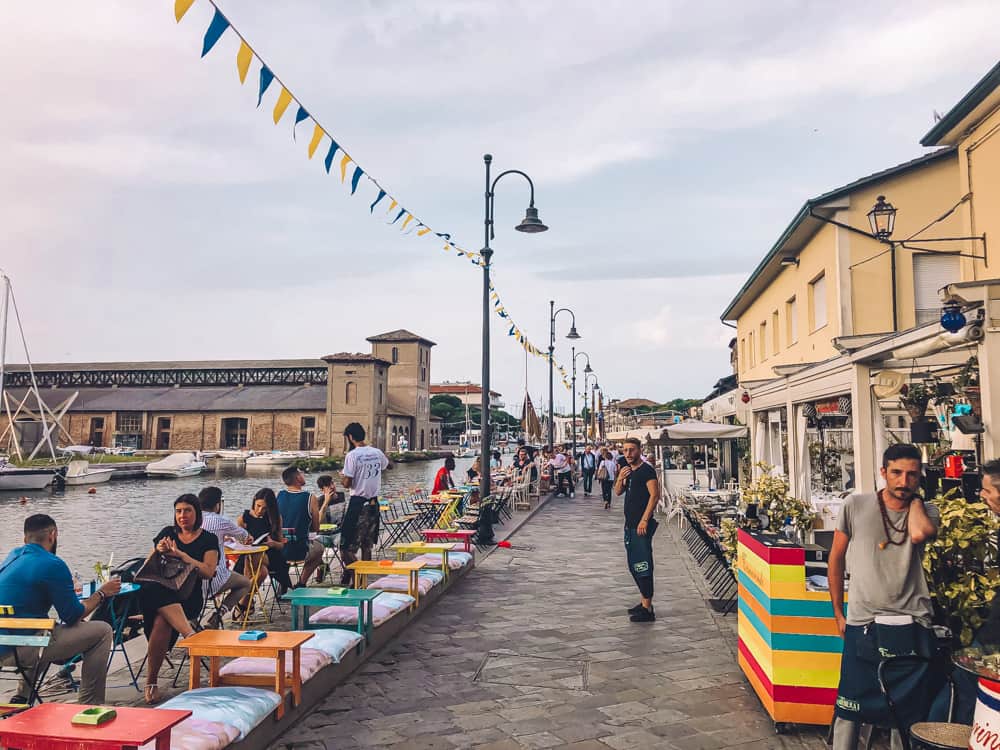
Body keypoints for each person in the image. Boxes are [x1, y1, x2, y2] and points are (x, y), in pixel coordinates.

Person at [828, 444, 940, 749]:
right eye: (897, 473)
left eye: (912, 475)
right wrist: (838, 612)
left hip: (912, 620)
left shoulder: (927, 512)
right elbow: (836, 558)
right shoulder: (856, 505)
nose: (904, 481)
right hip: (863, 619)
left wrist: (915, 500)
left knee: (904, 711)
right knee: (850, 705)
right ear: (883, 472)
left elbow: (918, 534)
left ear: (920, 478)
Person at [0, 514, 119, 706]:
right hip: (20, 649)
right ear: (53, 535)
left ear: (25, 539)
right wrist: (102, 593)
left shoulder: (12, 556)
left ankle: (22, 696)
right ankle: (91, 704)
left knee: (43, 630)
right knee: (102, 631)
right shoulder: (53, 564)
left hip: (4, 644)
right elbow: (72, 616)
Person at [929, 458, 1000, 724]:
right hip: (991, 635)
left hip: (993, 641)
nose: (981, 495)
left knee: (956, 701)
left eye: (987, 490)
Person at [139, 495, 219, 704]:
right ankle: (190, 635)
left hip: (188, 597)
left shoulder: (208, 539)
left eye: (187, 511)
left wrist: (183, 556)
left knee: (160, 616)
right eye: (179, 511)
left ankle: (151, 682)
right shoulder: (167, 533)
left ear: (197, 513)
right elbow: (148, 567)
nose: (182, 516)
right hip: (162, 593)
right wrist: (158, 551)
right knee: (158, 606)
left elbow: (209, 572)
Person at [614, 437, 660, 622]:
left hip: (641, 526)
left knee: (643, 565)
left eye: (631, 450)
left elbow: (655, 496)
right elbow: (617, 492)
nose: (628, 454)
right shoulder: (628, 471)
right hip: (629, 525)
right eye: (625, 450)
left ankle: (647, 609)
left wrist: (644, 520)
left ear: (640, 450)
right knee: (634, 565)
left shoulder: (646, 471)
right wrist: (620, 478)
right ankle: (643, 602)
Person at [339, 422, 389, 586]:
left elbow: (347, 483)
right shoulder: (376, 452)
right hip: (374, 504)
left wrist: (342, 477)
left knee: (345, 547)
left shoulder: (352, 455)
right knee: (367, 545)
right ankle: (363, 581)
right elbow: (387, 465)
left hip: (358, 504)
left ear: (350, 437)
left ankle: (355, 577)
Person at [197, 487, 253, 629]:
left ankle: (193, 622)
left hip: (191, 579)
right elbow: (244, 536)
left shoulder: (192, 520)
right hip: (214, 579)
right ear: (217, 505)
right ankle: (218, 615)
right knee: (245, 583)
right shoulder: (220, 521)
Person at [276, 466, 327, 588]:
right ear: (298, 478)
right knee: (319, 549)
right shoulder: (310, 498)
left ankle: (283, 583)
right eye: (301, 474)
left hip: (279, 550)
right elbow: (315, 527)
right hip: (299, 550)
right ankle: (301, 582)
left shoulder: (278, 495)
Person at [237, 487, 293, 594]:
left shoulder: (275, 518)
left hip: (271, 554)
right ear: (254, 501)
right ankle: (246, 601)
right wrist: (244, 542)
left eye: (264, 508)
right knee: (260, 570)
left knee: (253, 562)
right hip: (250, 553)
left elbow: (281, 545)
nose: (260, 511)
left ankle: (244, 601)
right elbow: (239, 543)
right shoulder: (243, 519)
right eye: (258, 506)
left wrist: (273, 544)